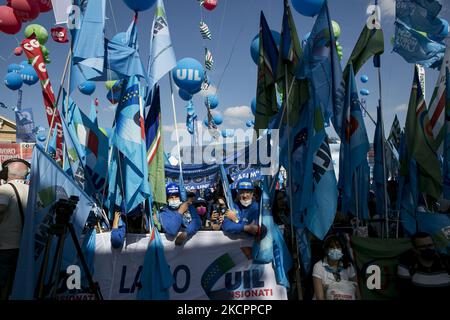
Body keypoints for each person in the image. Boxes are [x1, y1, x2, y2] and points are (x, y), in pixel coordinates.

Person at [0, 158, 30, 300]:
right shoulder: (33, 190)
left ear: (7, 172)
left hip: (5, 247)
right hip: (26, 247)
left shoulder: (5, 189)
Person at [397, 232, 450, 300]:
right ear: (415, 249)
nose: (428, 249)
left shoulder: (446, 261)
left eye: (430, 245)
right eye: (423, 246)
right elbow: (405, 292)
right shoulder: (407, 263)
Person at [312, 234, 361, 300]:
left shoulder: (348, 265)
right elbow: (320, 297)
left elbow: (356, 290)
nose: (335, 250)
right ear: (326, 250)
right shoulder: (318, 266)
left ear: (342, 249)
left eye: (338, 247)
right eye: (332, 247)